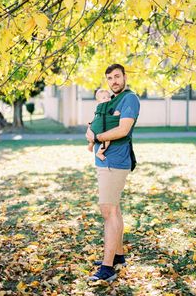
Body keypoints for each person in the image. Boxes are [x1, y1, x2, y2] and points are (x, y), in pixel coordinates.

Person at [86, 63, 140, 282]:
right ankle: (118, 256)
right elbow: (97, 122)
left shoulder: (130, 99)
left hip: (115, 162)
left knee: (107, 211)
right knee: (114, 209)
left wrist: (97, 138)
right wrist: (90, 131)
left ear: (125, 76)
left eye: (117, 76)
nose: (114, 81)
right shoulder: (109, 99)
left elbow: (123, 129)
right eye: (109, 78)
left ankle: (107, 268)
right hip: (104, 161)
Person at [87, 88, 112, 160]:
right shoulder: (105, 105)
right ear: (99, 101)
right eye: (104, 98)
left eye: (109, 97)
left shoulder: (99, 107)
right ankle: (99, 153)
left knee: (93, 136)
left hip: (95, 126)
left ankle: (91, 144)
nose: (107, 99)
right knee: (107, 140)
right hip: (101, 127)